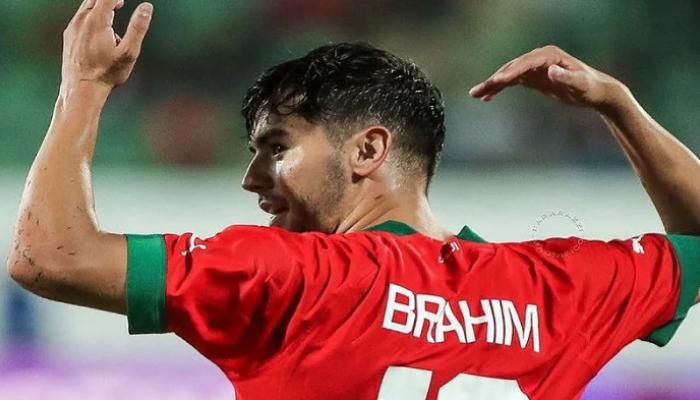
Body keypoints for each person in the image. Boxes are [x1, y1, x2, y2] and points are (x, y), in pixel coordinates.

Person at [7, 1, 700, 399]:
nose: (252, 179)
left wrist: (84, 89)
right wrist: (619, 106)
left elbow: (48, 256)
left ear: (367, 150)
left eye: (276, 147)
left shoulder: (288, 276)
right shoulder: (553, 290)